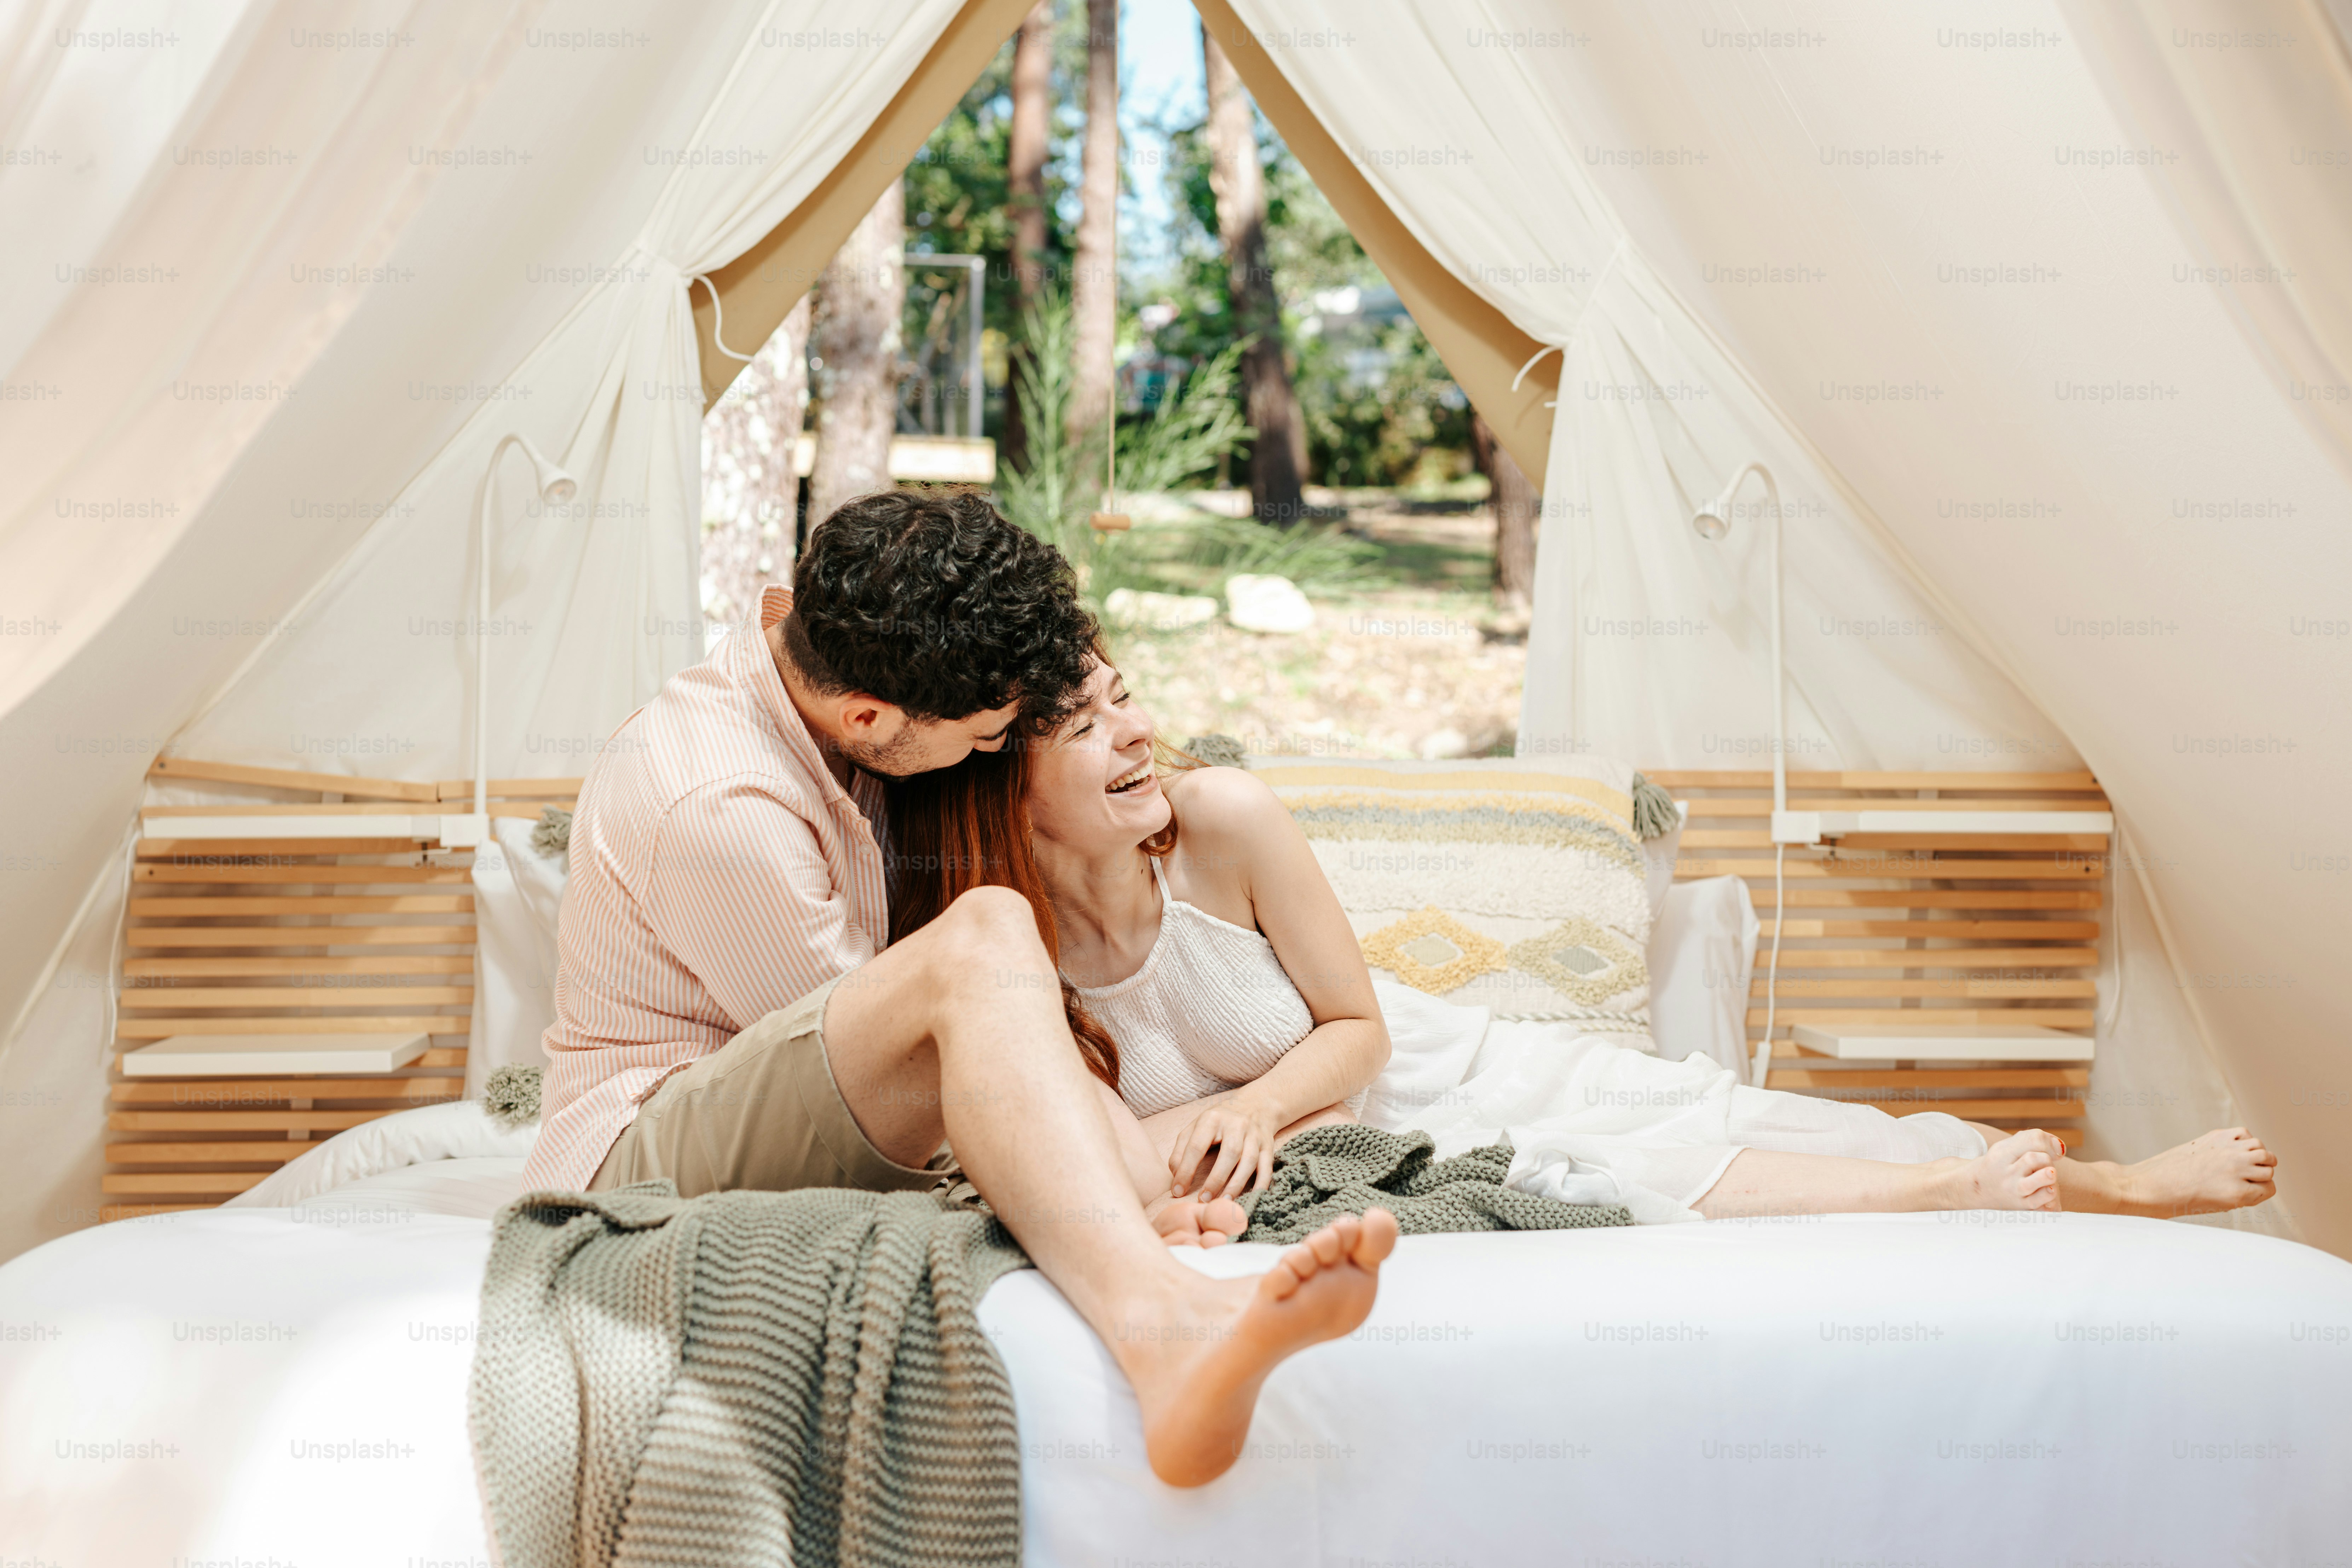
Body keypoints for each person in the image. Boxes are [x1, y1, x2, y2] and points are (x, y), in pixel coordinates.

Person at [525, 488, 1397, 1488]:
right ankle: (1160, 1323)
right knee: (983, 930)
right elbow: (923, 1072)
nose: (989, 754)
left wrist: (1247, 1117)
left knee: (1011, 954)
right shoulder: (719, 811)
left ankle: (1158, 1273)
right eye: (985, 737)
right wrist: (1141, 1186)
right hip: (641, 1156)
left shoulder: (831, 669)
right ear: (867, 715)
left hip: (775, 1105)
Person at [886, 649, 2283, 1225]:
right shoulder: (995, 950)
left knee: (1736, 1126)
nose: (1138, 728)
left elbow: (1358, 1025)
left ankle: (2093, 1184)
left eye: (1128, 695)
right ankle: (1983, 1187)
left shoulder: (1224, 821)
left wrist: (1254, 1104)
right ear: (1006, 772)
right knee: (1636, 1181)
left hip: (1451, 1071)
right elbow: (1103, 1157)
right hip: (1380, 1161)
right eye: (1088, 722)